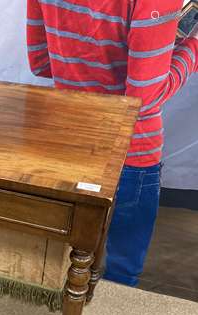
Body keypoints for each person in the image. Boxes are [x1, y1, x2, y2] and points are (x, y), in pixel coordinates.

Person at [27, 0, 198, 286]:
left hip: (71, 142)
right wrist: (192, 48)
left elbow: (41, 63)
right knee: (122, 271)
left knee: (67, 256)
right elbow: (143, 101)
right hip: (131, 152)